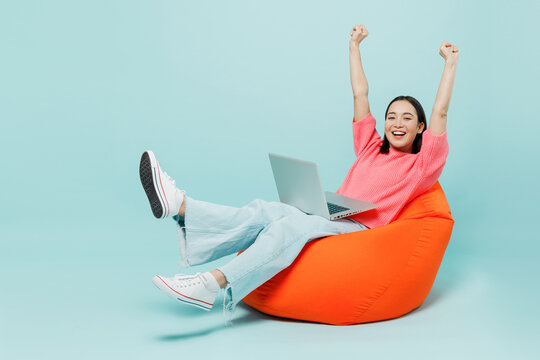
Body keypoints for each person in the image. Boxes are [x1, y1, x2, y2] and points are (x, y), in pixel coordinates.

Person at [139, 24, 458, 320]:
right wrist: (353, 47)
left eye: (407, 118)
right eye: (391, 117)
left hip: (360, 229)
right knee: (265, 210)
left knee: (287, 227)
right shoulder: (370, 148)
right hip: (334, 212)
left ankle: (213, 283)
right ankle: (180, 207)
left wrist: (449, 63)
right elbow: (360, 94)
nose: (397, 123)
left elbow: (440, 111)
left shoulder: (419, 169)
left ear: (420, 128)